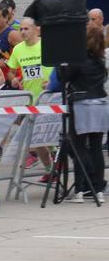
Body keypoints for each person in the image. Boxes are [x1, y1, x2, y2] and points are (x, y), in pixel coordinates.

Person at [52, 25, 108, 202]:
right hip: (101, 103)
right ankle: (98, 189)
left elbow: (64, 77)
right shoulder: (101, 60)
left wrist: (60, 62)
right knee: (97, 147)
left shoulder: (79, 60)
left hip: (82, 104)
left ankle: (80, 190)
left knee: (79, 147)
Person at [8, 18, 52, 100]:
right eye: (21, 29)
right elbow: (11, 72)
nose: (23, 32)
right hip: (29, 96)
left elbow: (60, 66)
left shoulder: (47, 44)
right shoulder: (17, 49)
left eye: (26, 29)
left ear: (35, 30)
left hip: (48, 95)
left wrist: (53, 82)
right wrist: (13, 79)